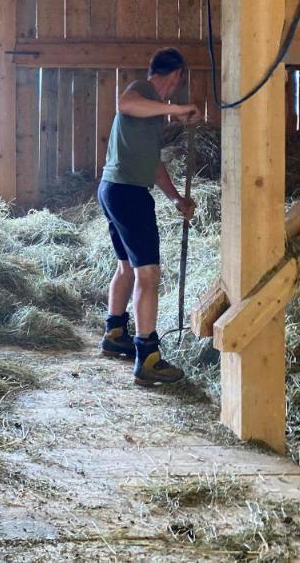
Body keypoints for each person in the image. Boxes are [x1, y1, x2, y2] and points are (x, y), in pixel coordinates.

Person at [98, 47, 201, 386]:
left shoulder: (151, 117)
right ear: (175, 76)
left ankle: (115, 334)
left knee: (126, 266)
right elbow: (123, 104)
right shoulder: (141, 91)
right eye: (177, 84)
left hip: (116, 189)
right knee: (149, 274)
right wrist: (176, 109)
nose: (175, 90)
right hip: (126, 193)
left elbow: (154, 166)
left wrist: (175, 199)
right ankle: (148, 357)